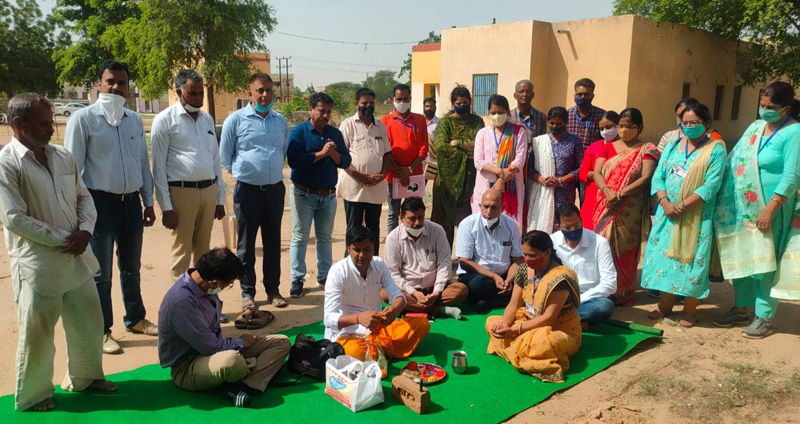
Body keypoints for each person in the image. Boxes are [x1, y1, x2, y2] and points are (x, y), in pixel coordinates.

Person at [0, 93, 117, 411]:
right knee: (37, 331)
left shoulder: (62, 156)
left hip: (77, 256)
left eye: (52, 122)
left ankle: (86, 377)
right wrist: (66, 238)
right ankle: (34, 394)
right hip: (39, 263)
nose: (52, 129)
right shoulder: (7, 163)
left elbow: (84, 198)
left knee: (89, 320)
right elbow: (14, 218)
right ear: (19, 124)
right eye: (44, 123)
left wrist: (86, 231)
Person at [65, 60, 157, 355]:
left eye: (122, 83)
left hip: (130, 204)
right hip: (98, 206)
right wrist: (79, 214)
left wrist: (148, 201)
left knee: (131, 268)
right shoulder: (84, 120)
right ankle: (102, 330)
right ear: (99, 84)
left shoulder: (132, 120)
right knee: (100, 273)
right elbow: (72, 170)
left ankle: (136, 319)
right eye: (111, 82)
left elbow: (142, 163)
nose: (117, 88)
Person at [713, 81, 800, 338]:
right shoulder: (756, 126)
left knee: (764, 263)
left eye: (770, 107)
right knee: (742, 255)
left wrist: (770, 209)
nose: (764, 110)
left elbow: (792, 176)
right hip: (742, 208)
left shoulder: (794, 132)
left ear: (786, 108)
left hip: (770, 210)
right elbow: (735, 159)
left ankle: (764, 317)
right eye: (762, 105)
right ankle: (742, 308)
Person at [158, 248, 291, 408]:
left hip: (216, 352)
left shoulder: (203, 283)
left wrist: (240, 344)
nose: (227, 287)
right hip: (188, 367)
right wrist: (241, 343)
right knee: (232, 361)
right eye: (228, 284)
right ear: (214, 282)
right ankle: (248, 374)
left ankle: (242, 385)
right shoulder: (182, 302)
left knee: (281, 342)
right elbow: (209, 347)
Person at [641, 103, 727, 328]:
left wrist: (682, 206)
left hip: (696, 216)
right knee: (665, 259)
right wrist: (663, 201)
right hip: (666, 214)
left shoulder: (716, 149)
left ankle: (689, 310)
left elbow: (712, 184)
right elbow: (659, 176)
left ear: (706, 123)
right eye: (684, 122)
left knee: (692, 262)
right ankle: (665, 305)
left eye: (694, 123)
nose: (688, 127)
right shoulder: (672, 146)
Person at [220, 73, 290, 312]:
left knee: (273, 243)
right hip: (247, 191)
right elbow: (225, 157)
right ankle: (247, 293)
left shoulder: (280, 121)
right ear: (250, 92)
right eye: (260, 90)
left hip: (274, 191)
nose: (265, 95)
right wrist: (248, 172)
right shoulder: (236, 120)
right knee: (246, 245)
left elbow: (282, 150)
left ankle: (273, 290)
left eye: (269, 90)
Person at [324, 226, 430, 376]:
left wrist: (394, 310)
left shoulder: (379, 264)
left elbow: (398, 296)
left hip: (378, 330)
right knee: (355, 352)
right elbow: (328, 319)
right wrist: (358, 318)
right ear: (348, 249)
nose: (362, 255)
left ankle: (376, 352)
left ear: (374, 248)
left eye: (367, 250)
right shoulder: (338, 272)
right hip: (349, 336)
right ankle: (377, 352)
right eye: (357, 250)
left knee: (421, 324)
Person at [151, 70, 226, 281]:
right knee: (181, 252)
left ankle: (203, 303)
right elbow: (158, 168)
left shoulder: (206, 119)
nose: (198, 99)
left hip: (208, 191)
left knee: (204, 253)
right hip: (181, 193)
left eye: (201, 93)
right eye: (192, 94)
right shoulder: (164, 121)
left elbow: (215, 161)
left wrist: (219, 199)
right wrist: (166, 208)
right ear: (178, 92)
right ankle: (181, 305)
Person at [485, 230, 582, 383]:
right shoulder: (524, 269)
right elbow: (514, 304)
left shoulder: (560, 278)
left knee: (543, 342)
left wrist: (513, 330)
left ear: (547, 252)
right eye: (525, 254)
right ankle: (521, 351)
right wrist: (504, 323)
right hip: (528, 321)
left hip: (557, 331)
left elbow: (548, 319)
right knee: (492, 322)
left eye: (532, 255)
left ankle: (516, 348)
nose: (527, 259)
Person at [592, 108, 660, 306]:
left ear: (639, 127)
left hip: (629, 205)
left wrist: (620, 193)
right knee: (602, 245)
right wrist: (607, 191)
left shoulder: (648, 149)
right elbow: (597, 172)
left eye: (629, 127)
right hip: (604, 202)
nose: (623, 130)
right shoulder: (607, 146)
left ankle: (622, 291)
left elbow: (646, 177)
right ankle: (601, 288)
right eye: (621, 126)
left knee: (623, 246)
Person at [287, 93, 352, 295]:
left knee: (324, 237)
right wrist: (321, 154)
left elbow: (346, 161)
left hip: (328, 195)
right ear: (311, 109)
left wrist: (333, 154)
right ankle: (297, 278)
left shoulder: (335, 133)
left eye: (329, 112)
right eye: (321, 110)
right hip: (303, 194)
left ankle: (324, 277)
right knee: (300, 237)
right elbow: (294, 161)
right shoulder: (298, 132)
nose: (325, 115)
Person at [384, 197, 467, 319]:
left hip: (434, 289)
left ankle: (408, 307)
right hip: (408, 291)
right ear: (401, 218)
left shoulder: (437, 231)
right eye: (412, 219)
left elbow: (444, 263)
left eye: (421, 218)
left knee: (461, 289)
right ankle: (437, 309)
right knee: (385, 293)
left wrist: (436, 292)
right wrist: (414, 292)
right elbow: (393, 273)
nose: (417, 223)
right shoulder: (393, 238)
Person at [339, 88, 391, 257]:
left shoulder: (380, 126)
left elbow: (388, 154)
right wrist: (359, 175)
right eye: (364, 103)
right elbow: (342, 156)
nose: (368, 106)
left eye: (371, 103)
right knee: (353, 228)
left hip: (375, 187)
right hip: (354, 187)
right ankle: (350, 265)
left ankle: (373, 262)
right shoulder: (347, 125)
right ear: (356, 104)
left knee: (373, 228)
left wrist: (383, 174)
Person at [432, 85, 485, 248]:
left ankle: (466, 259)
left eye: (466, 102)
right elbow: (441, 148)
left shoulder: (477, 121)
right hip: (446, 183)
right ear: (453, 103)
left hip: (470, 182)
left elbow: (481, 145)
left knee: (468, 223)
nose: (462, 105)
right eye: (459, 102)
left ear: (470, 102)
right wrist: (467, 153)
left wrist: (459, 143)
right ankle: (443, 261)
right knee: (444, 224)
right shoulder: (445, 123)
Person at [550, 204, 616, 331]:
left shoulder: (599, 243)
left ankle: (557, 319)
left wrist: (579, 299)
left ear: (581, 221)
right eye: (568, 228)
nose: (573, 230)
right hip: (560, 296)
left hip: (588, 298)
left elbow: (610, 284)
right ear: (558, 227)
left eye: (577, 225)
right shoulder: (551, 241)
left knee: (605, 306)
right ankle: (573, 321)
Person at [456, 190, 523, 312]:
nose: (489, 212)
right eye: (485, 207)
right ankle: (506, 298)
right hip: (478, 276)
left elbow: (517, 259)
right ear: (480, 206)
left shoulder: (512, 225)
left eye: (494, 208)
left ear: (502, 208)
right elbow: (465, 261)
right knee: (478, 285)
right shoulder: (467, 225)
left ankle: (495, 299)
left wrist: (508, 280)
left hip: (505, 275)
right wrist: (493, 276)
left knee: (528, 276)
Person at [472, 94, 527, 230]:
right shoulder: (482, 133)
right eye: (493, 112)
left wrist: (502, 179)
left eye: (500, 112)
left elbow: (519, 160)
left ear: (508, 112)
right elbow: (478, 162)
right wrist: (501, 172)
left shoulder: (518, 132)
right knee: (484, 220)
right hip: (486, 184)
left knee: (509, 224)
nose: (497, 115)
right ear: (488, 113)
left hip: (512, 185)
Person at [527, 107, 584, 233]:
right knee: (541, 224)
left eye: (558, 123)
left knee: (562, 222)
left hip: (564, 191)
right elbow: (529, 168)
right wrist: (541, 179)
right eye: (551, 123)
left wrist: (561, 180)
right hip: (542, 189)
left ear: (566, 123)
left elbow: (581, 168)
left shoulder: (574, 141)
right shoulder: (539, 141)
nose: (554, 126)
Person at [382, 84, 428, 234]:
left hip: (414, 175)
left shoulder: (420, 120)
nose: (402, 102)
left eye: (405, 99)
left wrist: (408, 170)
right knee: (393, 213)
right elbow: (385, 150)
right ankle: (393, 246)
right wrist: (399, 171)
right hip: (393, 175)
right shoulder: (385, 121)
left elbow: (423, 149)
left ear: (410, 99)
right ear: (393, 100)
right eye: (399, 99)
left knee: (415, 212)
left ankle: (414, 242)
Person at [579, 111, 620, 230]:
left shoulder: (625, 148)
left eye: (608, 127)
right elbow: (582, 172)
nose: (605, 131)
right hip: (593, 194)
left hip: (614, 194)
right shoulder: (595, 146)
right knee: (590, 230)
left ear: (618, 125)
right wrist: (593, 174)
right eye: (601, 128)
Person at [567, 78, 606, 151]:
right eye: (579, 94)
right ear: (575, 95)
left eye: (586, 94)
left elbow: (606, 141)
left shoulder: (602, 115)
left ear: (592, 96)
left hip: (592, 159)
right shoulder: (566, 115)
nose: (582, 97)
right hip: (570, 160)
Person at [422, 97, 439, 185]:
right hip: (420, 161)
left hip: (434, 162)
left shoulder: (439, 124)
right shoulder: (419, 122)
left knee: (437, 189)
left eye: (431, 106)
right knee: (419, 189)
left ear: (435, 107)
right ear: (424, 107)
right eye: (427, 106)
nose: (429, 108)